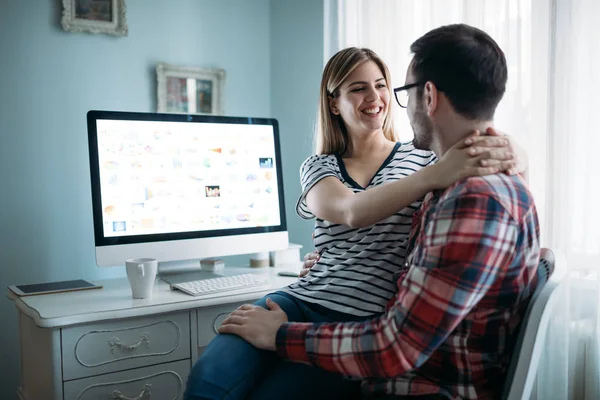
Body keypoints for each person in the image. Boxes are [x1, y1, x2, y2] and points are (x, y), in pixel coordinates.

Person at [184, 44, 527, 400]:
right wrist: (434, 176)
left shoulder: (424, 155)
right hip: (298, 299)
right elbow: (350, 211)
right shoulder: (320, 166)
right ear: (334, 103)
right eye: (358, 88)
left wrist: (517, 151)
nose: (375, 97)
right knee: (207, 381)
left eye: (381, 85)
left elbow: (485, 136)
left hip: (359, 322)